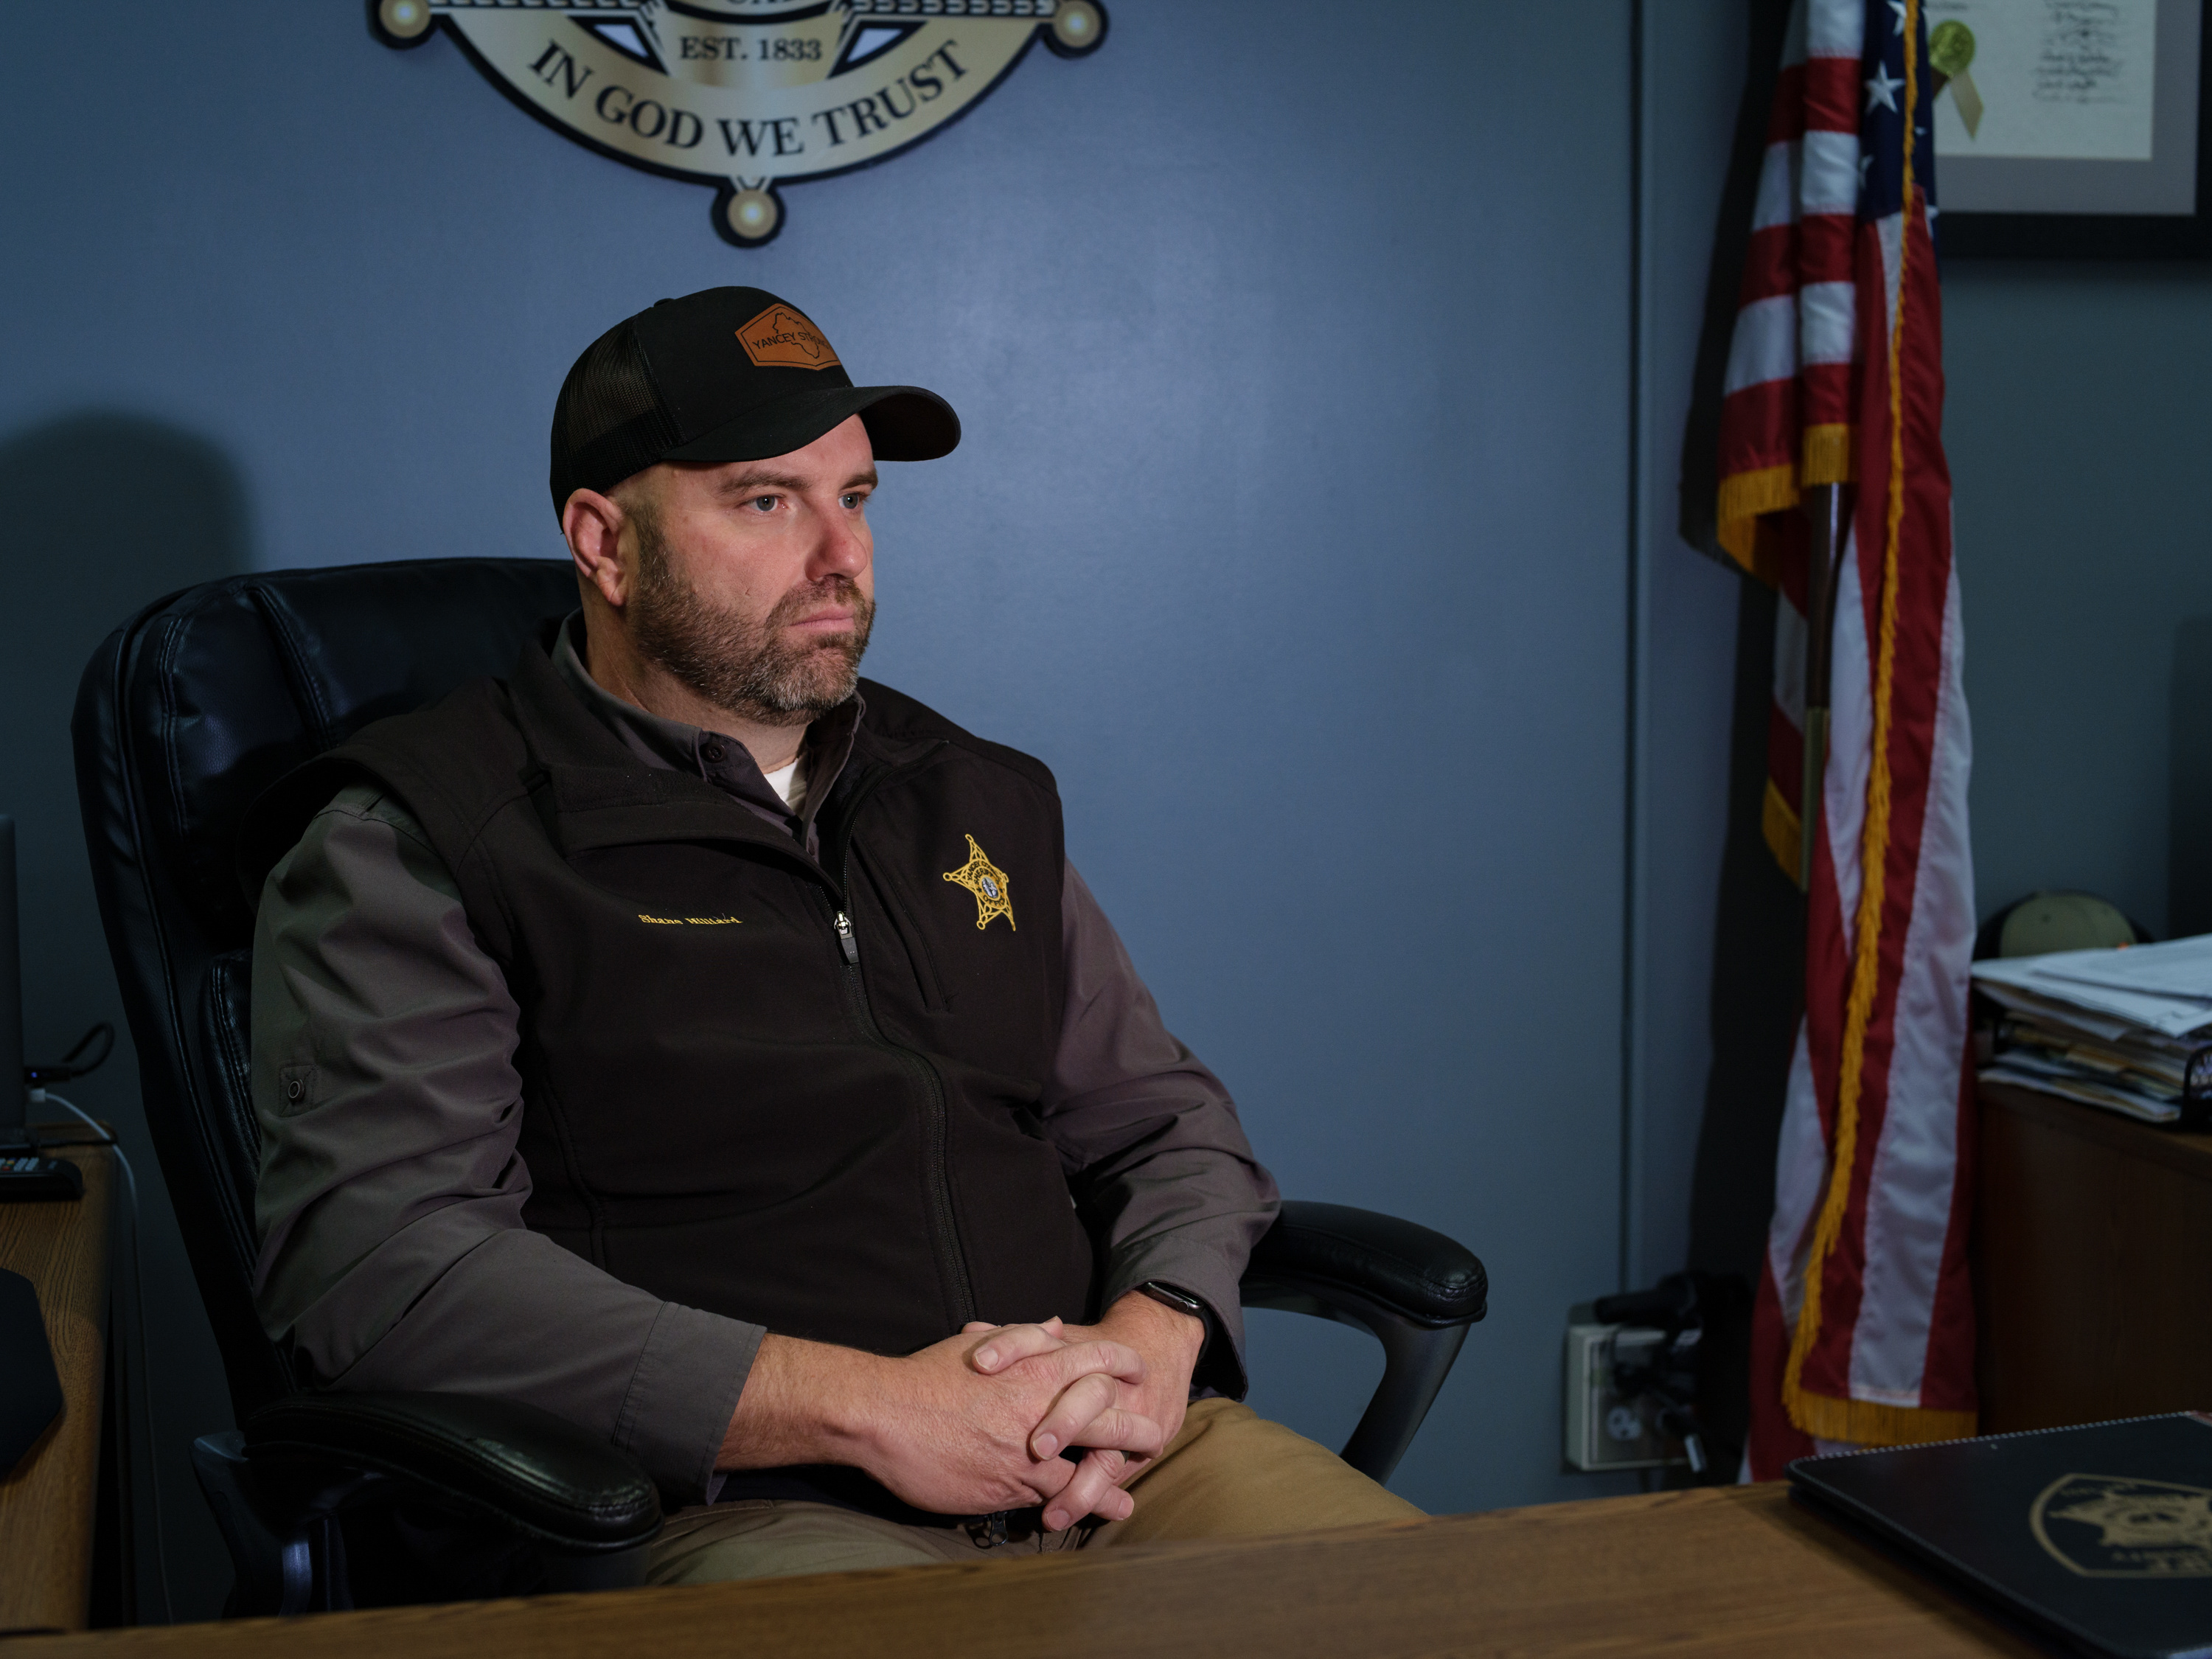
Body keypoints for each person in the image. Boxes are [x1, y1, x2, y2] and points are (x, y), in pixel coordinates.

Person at [246, 286, 1420, 1583]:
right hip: (742, 1507)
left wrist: (1159, 1332)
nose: (840, 558)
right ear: (604, 541)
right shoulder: (426, 835)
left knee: (1488, 1615)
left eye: (855, 499)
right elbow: (386, 1267)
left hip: (1113, 1467)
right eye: (767, 501)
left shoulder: (971, 794)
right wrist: (871, 1410)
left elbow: (1165, 1120)